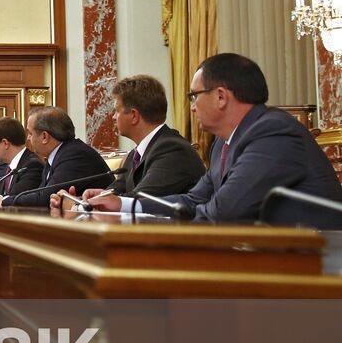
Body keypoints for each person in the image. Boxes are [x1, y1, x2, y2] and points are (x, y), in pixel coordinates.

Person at [80, 54, 342, 221]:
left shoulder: (272, 133)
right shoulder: (222, 143)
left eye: (194, 96)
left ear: (220, 96)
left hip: (313, 266)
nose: (192, 106)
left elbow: (225, 211)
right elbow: (195, 199)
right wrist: (122, 204)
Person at [50, 75, 204, 212]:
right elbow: (115, 193)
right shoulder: (136, 154)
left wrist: (76, 207)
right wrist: (81, 200)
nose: (113, 117)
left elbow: (139, 200)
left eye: (117, 111)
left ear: (134, 115)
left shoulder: (172, 150)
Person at [0, 107, 109, 208]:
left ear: (44, 137)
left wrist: (2, 201)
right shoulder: (56, 156)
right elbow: (38, 194)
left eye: (30, 133)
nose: (28, 138)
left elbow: (44, 198)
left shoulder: (74, 155)